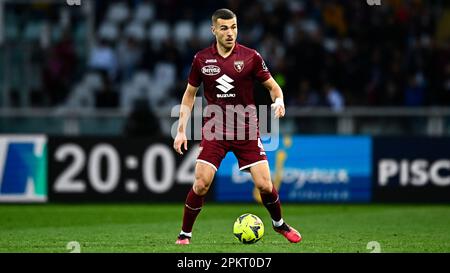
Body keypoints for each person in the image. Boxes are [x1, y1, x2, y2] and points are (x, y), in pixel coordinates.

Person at [173, 8, 302, 245]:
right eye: (224, 28)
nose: (230, 33)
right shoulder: (201, 59)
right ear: (213, 30)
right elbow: (189, 95)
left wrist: (280, 101)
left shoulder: (251, 56)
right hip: (215, 130)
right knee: (201, 184)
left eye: (233, 27)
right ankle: (185, 233)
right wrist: (181, 129)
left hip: (246, 130)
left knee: (264, 184)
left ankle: (279, 224)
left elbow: (274, 87)